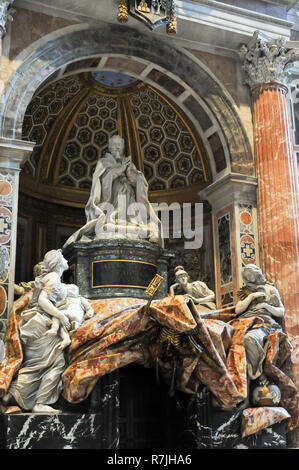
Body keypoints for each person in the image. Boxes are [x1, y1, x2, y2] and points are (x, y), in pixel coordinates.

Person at [63, 134, 163, 248]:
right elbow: (101, 181)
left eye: (119, 145)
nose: (117, 147)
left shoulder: (129, 163)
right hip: (112, 199)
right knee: (108, 220)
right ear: (110, 147)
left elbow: (140, 182)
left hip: (128, 197)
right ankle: (113, 221)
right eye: (114, 145)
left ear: (123, 147)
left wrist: (130, 174)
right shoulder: (104, 162)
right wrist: (119, 170)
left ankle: (128, 223)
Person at [2, 249, 70, 414]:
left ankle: (12, 394)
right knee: (57, 362)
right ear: (57, 263)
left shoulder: (49, 277)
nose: (66, 260)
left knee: (36, 365)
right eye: (63, 258)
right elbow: (42, 300)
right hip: (42, 323)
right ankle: (41, 402)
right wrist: (61, 315)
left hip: (35, 323)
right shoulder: (53, 277)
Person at [46, 284, 94, 349]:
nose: (71, 291)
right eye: (69, 289)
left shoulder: (80, 299)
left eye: (73, 289)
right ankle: (66, 338)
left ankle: (54, 328)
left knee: (57, 316)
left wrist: (88, 315)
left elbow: (89, 308)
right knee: (61, 326)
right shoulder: (65, 299)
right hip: (70, 317)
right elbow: (56, 306)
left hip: (74, 314)